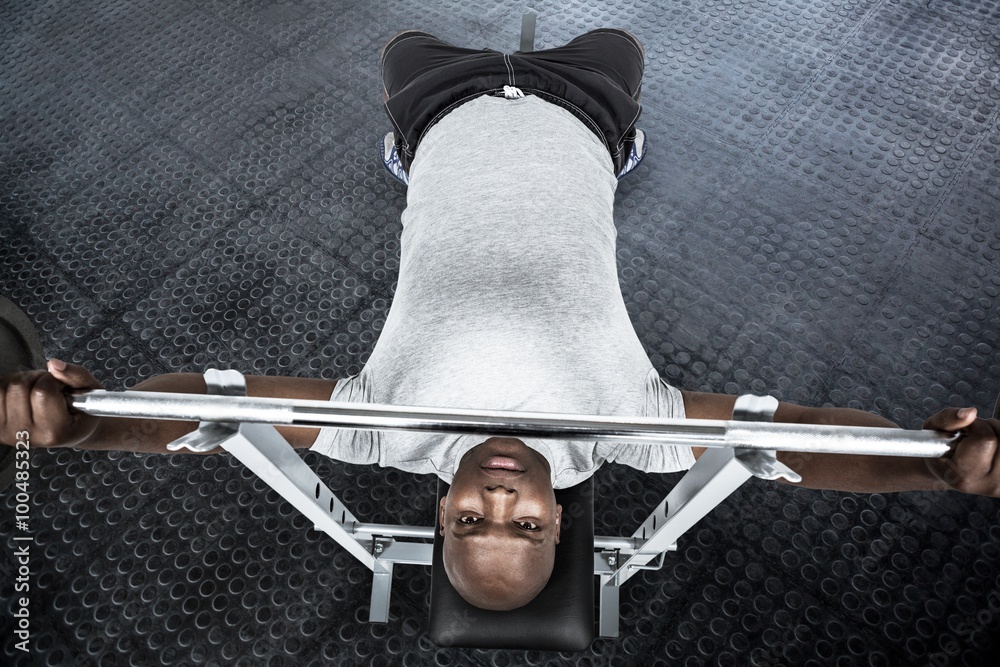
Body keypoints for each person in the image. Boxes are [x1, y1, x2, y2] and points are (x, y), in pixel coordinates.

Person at [1, 29, 999, 614]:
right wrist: (927, 466)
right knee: (621, 44)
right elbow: (791, 444)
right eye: (523, 525)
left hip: (442, 114)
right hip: (583, 116)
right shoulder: (634, 430)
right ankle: (624, 144)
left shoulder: (382, 426)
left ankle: (408, 146)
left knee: (400, 44)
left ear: (440, 515)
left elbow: (221, 409)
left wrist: (89, 425)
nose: (499, 496)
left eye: (473, 521)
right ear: (559, 520)